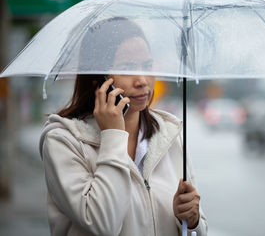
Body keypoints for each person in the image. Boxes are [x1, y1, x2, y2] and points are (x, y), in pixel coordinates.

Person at [39, 17, 208, 236]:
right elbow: (103, 223)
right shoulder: (64, 141)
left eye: (147, 66)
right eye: (127, 68)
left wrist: (192, 222)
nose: (142, 80)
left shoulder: (169, 134)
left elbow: (199, 229)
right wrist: (113, 135)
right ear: (97, 78)